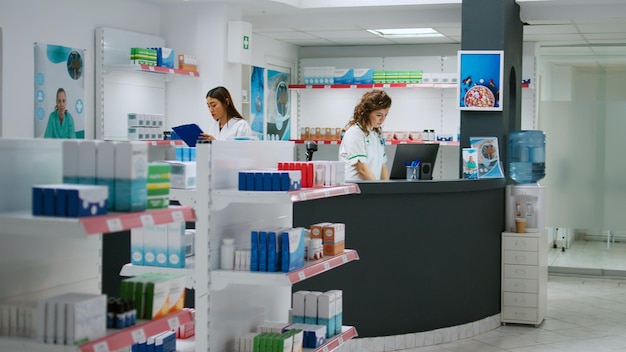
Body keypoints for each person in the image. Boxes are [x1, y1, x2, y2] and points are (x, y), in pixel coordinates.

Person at [339, 89, 392, 181]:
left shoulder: (376, 134)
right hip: (356, 190)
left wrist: (387, 189)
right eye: (379, 115)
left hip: (371, 188)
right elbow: (362, 169)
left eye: (385, 115)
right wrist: (377, 189)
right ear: (367, 113)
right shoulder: (355, 133)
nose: (382, 119)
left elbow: (382, 165)